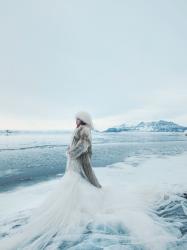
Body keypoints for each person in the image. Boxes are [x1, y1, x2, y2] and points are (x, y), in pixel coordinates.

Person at [0, 111, 104, 250]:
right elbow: (77, 143)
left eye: (78, 119)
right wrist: (71, 148)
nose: (76, 121)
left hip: (78, 162)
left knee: (75, 182)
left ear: (83, 120)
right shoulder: (79, 129)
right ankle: (77, 207)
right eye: (76, 119)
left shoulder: (84, 129)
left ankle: (77, 208)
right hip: (75, 162)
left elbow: (83, 145)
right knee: (75, 182)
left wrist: (71, 152)